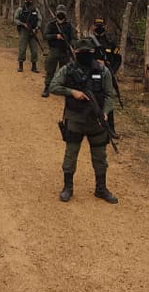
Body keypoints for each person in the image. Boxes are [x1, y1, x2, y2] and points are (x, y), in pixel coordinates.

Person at [49, 39, 118, 204]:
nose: (85, 55)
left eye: (89, 52)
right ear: (76, 52)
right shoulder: (68, 69)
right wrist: (72, 92)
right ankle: (68, 188)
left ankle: (101, 189)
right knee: (70, 155)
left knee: (100, 157)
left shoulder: (103, 71)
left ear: (93, 52)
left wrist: (106, 112)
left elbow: (110, 95)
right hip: (75, 120)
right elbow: (53, 86)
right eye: (82, 53)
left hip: (97, 121)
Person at [89, 17, 121, 138]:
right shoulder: (89, 41)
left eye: (101, 25)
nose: (99, 27)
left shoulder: (110, 42)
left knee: (108, 99)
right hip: (93, 74)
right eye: (97, 25)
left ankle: (111, 129)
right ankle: (90, 127)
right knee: (91, 99)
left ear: (105, 26)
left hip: (107, 75)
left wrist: (112, 71)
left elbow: (118, 59)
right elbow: (82, 57)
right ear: (93, 26)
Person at [42, 5, 74, 98]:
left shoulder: (69, 25)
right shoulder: (51, 24)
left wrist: (71, 45)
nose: (60, 14)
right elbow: (45, 36)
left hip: (65, 51)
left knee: (64, 71)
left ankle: (62, 89)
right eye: (59, 12)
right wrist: (56, 36)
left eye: (62, 13)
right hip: (54, 50)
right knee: (50, 70)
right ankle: (47, 87)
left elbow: (73, 38)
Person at [14, 0, 42, 73]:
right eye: (27, 0)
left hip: (33, 31)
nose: (29, 1)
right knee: (22, 49)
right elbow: (15, 19)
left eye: (30, 0)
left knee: (34, 50)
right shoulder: (20, 9)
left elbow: (40, 19)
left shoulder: (35, 10)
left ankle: (34, 67)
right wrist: (23, 24)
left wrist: (37, 28)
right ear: (25, 0)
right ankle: (20, 66)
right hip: (24, 31)